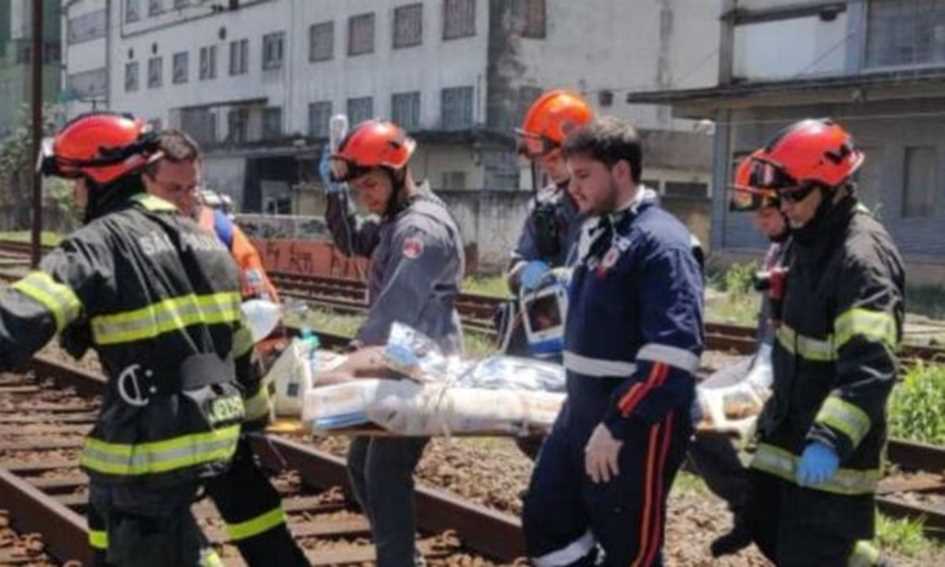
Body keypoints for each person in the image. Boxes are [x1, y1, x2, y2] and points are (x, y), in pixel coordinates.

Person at [0, 112, 249, 566]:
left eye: (77, 182)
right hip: (212, 429)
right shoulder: (206, 240)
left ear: (98, 179)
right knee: (175, 541)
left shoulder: (99, 243)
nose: (74, 195)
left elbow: (14, 325)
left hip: (147, 449)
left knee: (148, 543)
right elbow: (242, 346)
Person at [522, 117, 704, 566]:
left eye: (584, 176)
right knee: (546, 518)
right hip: (582, 411)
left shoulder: (662, 243)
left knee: (630, 550)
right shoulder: (602, 228)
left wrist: (618, 424)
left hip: (634, 423)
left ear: (621, 171)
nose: (573, 188)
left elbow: (673, 352)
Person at [738, 119, 903, 567]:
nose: (784, 206)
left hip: (833, 459)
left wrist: (829, 440)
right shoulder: (806, 242)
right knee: (779, 533)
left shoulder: (861, 260)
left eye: (794, 195)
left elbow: (871, 367)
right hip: (793, 436)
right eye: (781, 196)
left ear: (832, 188)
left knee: (815, 554)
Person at [140, 129, 308, 567]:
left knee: (246, 499)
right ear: (145, 182)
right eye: (172, 188)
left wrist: (273, 370)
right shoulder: (129, 237)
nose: (183, 198)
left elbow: (262, 304)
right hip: (162, 400)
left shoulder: (219, 230)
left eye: (190, 187)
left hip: (216, 396)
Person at [323, 119, 465, 567]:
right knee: (362, 467)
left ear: (398, 172)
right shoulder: (395, 218)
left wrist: (349, 361)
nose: (365, 195)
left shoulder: (418, 230)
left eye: (370, 184)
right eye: (358, 188)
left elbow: (396, 311)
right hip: (402, 359)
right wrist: (332, 193)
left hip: (421, 363)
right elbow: (352, 242)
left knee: (385, 473)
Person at [688, 164, 790, 558]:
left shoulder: (812, 249)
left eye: (766, 213)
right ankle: (746, 508)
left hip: (791, 371)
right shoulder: (779, 245)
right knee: (697, 413)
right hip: (764, 362)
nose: (760, 224)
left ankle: (761, 514)